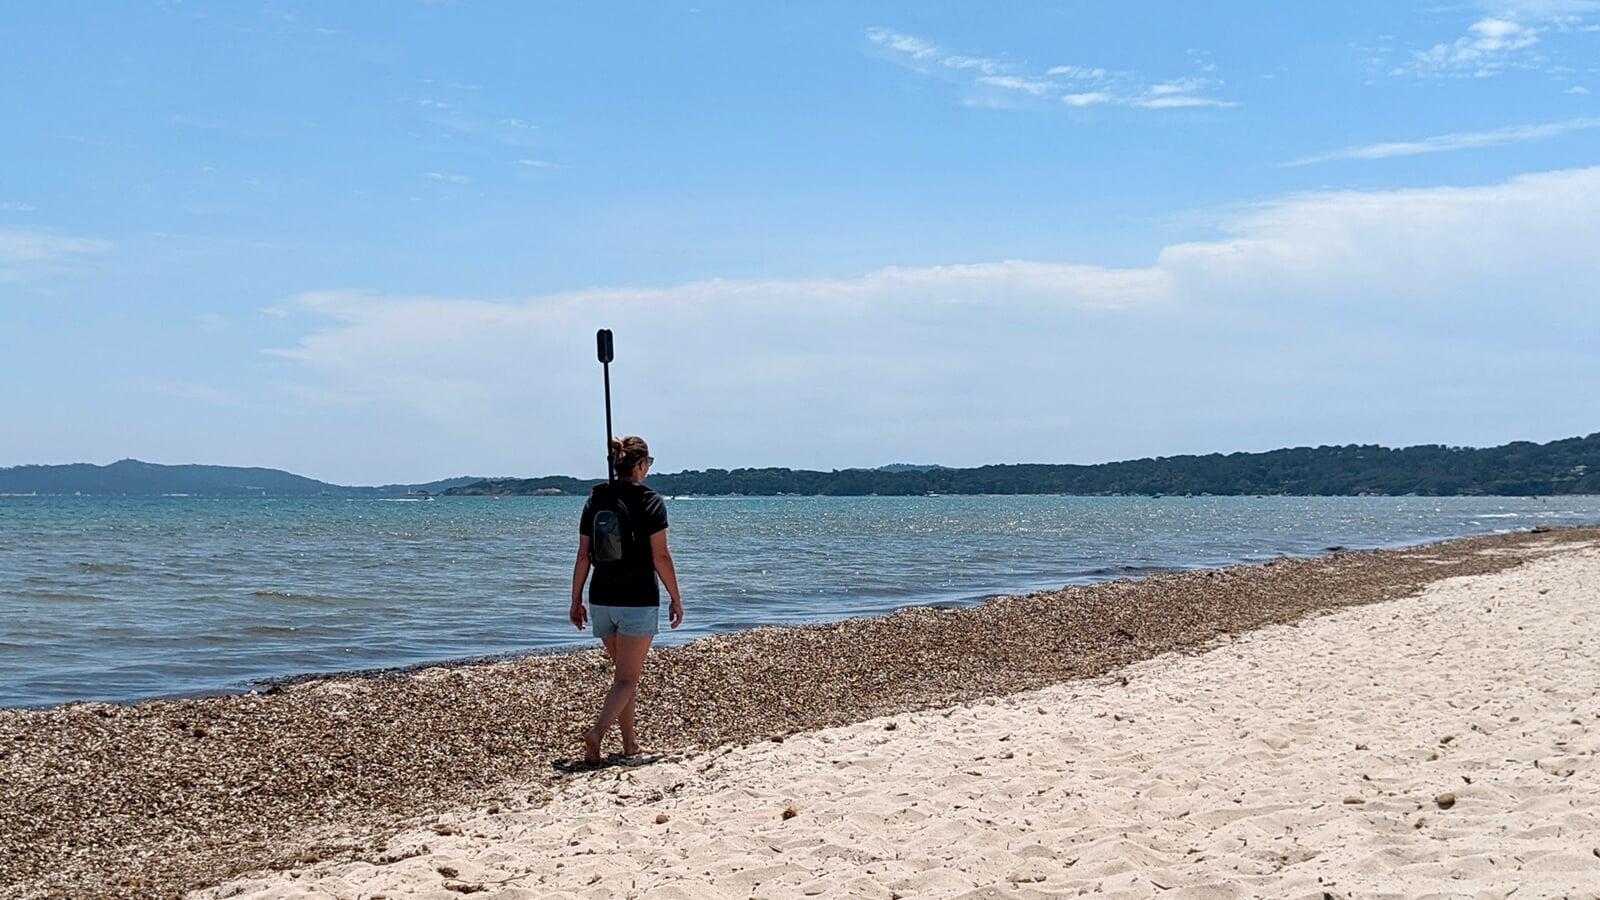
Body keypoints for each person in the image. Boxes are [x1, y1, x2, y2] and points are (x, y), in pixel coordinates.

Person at [570, 435, 683, 764]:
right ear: (640, 465)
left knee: (623, 677)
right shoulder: (650, 501)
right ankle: (596, 734)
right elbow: (661, 556)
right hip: (637, 601)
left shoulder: (596, 500)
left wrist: (575, 600)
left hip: (602, 599)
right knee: (627, 678)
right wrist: (676, 598)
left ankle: (630, 745)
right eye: (648, 463)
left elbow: (582, 556)